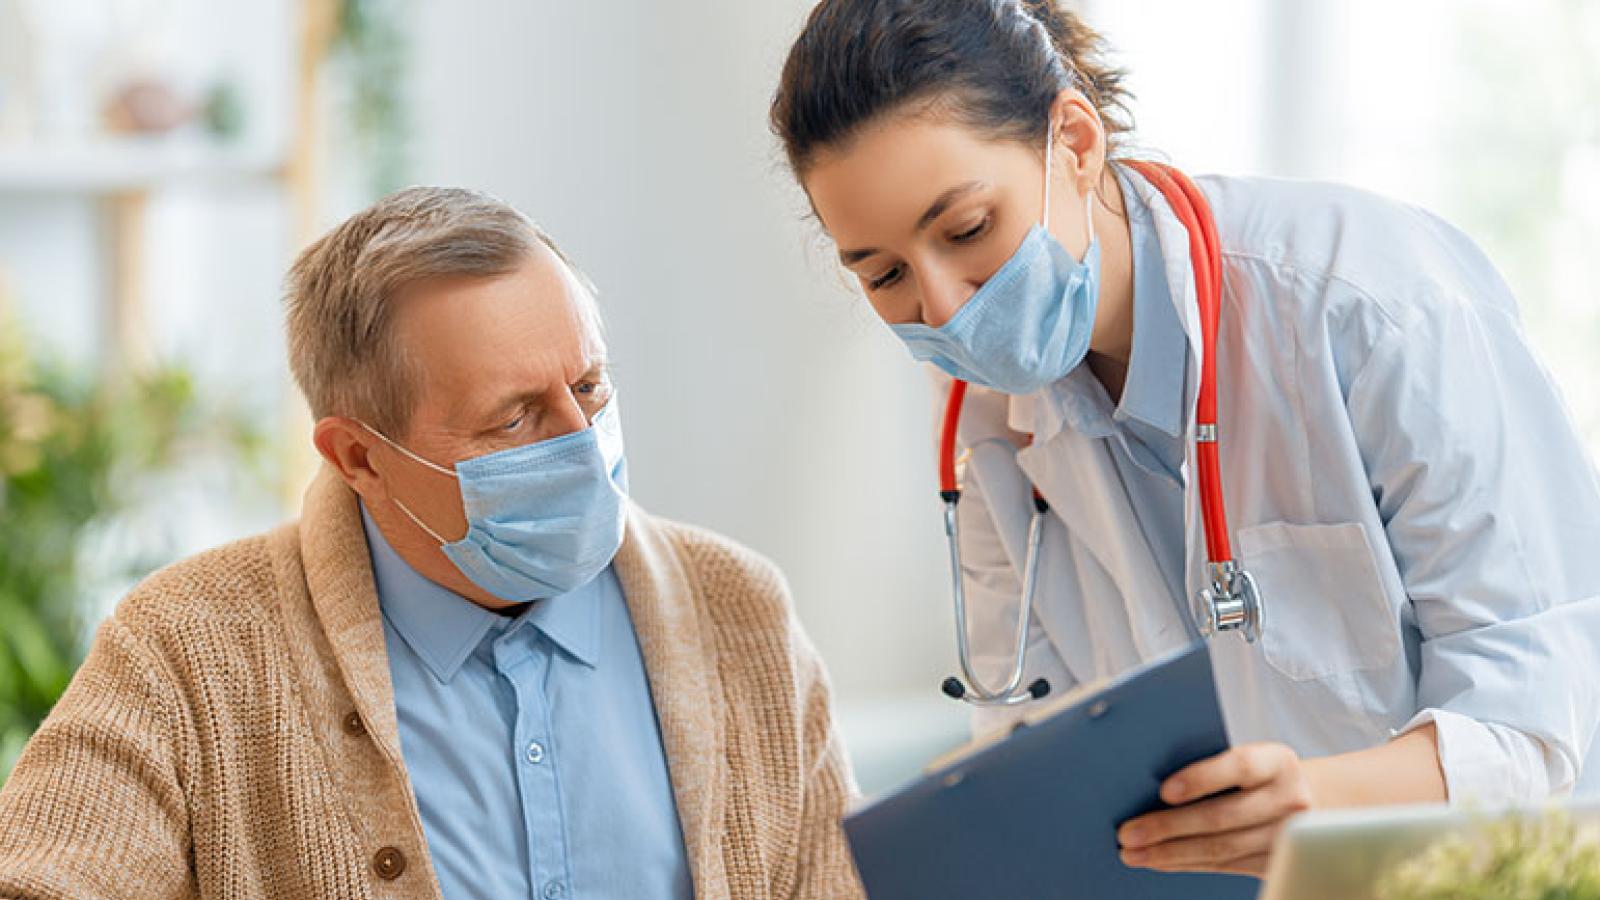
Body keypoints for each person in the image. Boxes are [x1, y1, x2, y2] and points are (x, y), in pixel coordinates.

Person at [768, 0, 1600, 879]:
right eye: (884, 273)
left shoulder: (1370, 305)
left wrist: (1314, 803)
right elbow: (1037, 748)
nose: (944, 307)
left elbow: (1541, 722)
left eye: (968, 230)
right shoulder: (984, 427)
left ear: (1077, 144)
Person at [0, 187, 864, 899]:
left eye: (590, 386)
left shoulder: (739, 610)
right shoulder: (188, 650)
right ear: (360, 457)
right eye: (513, 417)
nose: (580, 441)